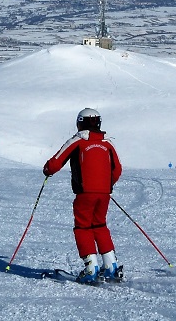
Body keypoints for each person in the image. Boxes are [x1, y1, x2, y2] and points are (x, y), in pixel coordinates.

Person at [42, 108, 123, 283]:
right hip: (104, 193)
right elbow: (117, 169)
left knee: (83, 227)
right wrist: (104, 185)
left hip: (85, 193)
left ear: (79, 122)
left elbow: (56, 162)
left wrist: (47, 170)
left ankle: (91, 268)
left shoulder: (78, 140)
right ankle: (111, 266)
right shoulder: (107, 143)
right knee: (100, 225)